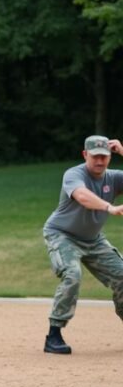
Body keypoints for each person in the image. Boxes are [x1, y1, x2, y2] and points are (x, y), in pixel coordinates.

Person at [42, 136, 123, 354]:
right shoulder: (74, 174)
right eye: (95, 156)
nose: (100, 161)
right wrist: (109, 208)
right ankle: (54, 335)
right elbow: (82, 196)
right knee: (72, 274)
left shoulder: (114, 178)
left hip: (93, 240)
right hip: (62, 235)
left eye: (104, 157)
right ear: (85, 155)